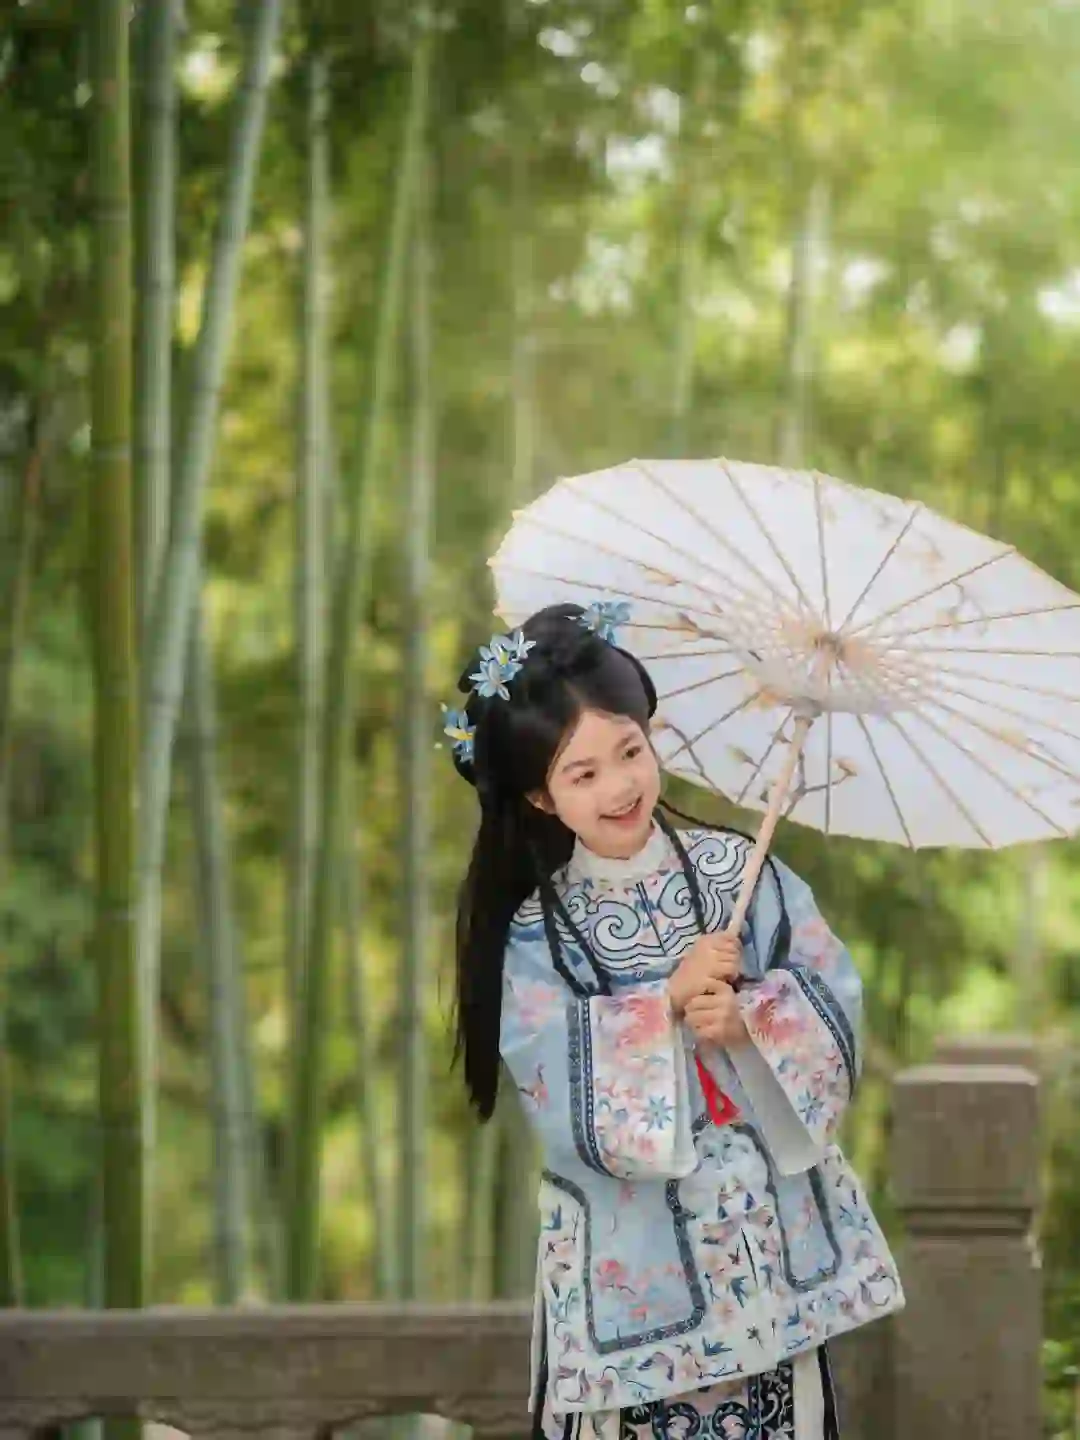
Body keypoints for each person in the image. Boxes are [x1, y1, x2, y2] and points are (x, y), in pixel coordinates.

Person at [445, 601, 903, 1440]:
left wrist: (751, 1019)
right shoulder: (537, 930)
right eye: (582, 774)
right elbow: (550, 1075)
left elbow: (831, 991)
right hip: (632, 1263)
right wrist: (659, 1005)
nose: (620, 785)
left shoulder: (742, 871)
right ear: (542, 799)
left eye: (630, 751)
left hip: (762, 1240)